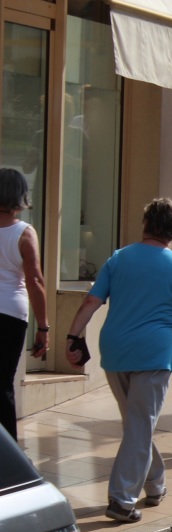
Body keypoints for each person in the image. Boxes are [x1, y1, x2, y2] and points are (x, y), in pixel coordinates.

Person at [63, 198, 172, 523]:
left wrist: (72, 337)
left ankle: (155, 485)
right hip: (153, 354)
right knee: (140, 424)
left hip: (115, 351)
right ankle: (121, 499)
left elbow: (91, 301)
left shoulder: (119, 258)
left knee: (136, 423)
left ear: (145, 225)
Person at [0, 168, 48, 440]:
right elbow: (35, 281)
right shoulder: (24, 233)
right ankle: (8, 457)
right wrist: (44, 327)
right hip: (10, 314)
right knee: (4, 383)